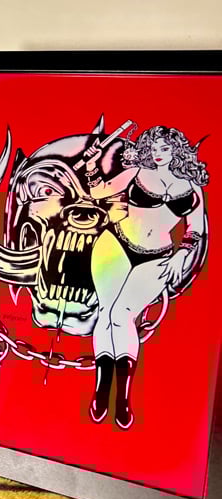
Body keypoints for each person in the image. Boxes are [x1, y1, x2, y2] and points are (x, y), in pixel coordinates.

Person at [84, 125, 208, 429]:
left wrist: (182, 254)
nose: (158, 153)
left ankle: (123, 397)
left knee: (123, 315)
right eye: (154, 148)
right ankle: (101, 389)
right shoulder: (137, 172)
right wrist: (91, 165)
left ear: (176, 149)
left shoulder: (192, 186)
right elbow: (98, 192)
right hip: (115, 243)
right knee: (106, 312)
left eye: (164, 148)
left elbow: (196, 227)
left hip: (159, 256)